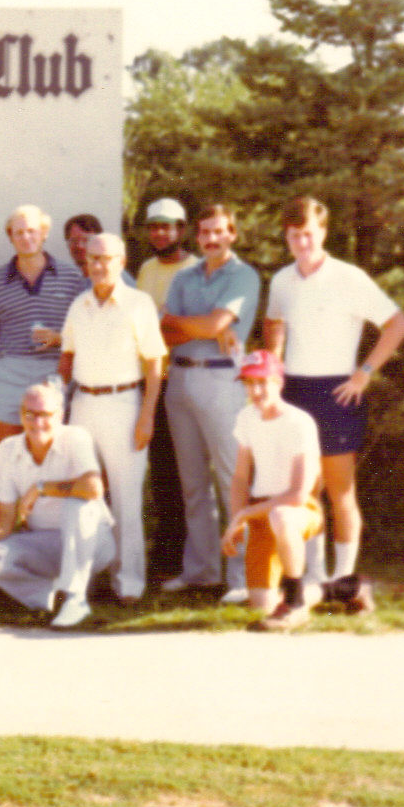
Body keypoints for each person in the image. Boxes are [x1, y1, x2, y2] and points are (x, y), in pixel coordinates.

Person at [262, 196, 404, 607]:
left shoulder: (350, 277)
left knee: (341, 491)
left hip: (337, 392)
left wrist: (365, 372)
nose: (301, 242)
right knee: (307, 489)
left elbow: (397, 324)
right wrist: (274, 367)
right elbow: (274, 323)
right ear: (286, 237)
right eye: (294, 235)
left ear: (323, 233)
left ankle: (347, 582)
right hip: (295, 391)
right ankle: (315, 578)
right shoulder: (281, 281)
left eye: (308, 234)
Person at [159, 203, 261, 599]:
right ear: (197, 236)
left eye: (219, 231)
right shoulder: (184, 277)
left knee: (231, 479)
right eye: (205, 232)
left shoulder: (244, 275)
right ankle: (201, 570)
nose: (211, 239)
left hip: (221, 377)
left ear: (232, 234)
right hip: (180, 377)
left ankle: (241, 576)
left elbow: (218, 324)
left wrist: (193, 324)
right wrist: (198, 326)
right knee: (192, 483)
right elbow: (163, 333)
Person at [58, 232, 165, 603]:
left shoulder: (139, 304)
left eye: (107, 259)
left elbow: (154, 363)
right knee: (79, 493)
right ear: (85, 263)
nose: (100, 266)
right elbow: (67, 358)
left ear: (122, 262)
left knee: (125, 497)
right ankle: (79, 581)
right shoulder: (78, 305)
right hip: (83, 405)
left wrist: (147, 414)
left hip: (125, 404)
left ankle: (129, 583)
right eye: (93, 259)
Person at [0, 383, 116, 629]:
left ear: (59, 416)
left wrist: (41, 487)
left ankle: (75, 598)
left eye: (45, 415)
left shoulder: (76, 437)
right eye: (30, 414)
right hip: (43, 544)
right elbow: (5, 516)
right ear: (21, 415)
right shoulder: (7, 449)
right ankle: (49, 595)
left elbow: (93, 487)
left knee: (76, 504)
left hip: (93, 543)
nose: (37, 422)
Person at [221, 349, 324, 631]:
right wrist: (236, 518)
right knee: (261, 603)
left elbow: (299, 495)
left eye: (262, 382)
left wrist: (246, 513)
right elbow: (241, 476)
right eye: (248, 383)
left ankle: (294, 602)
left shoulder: (298, 421)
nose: (255, 390)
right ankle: (337, 589)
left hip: (298, 510)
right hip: (263, 508)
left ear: (278, 382)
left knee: (282, 515)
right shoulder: (246, 417)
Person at [0, 204, 83, 449]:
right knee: (3, 450)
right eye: (19, 232)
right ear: (11, 237)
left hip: (55, 369)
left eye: (32, 231)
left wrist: (58, 338)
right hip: (8, 371)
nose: (26, 238)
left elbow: (85, 333)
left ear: (44, 233)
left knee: (52, 450)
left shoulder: (72, 277)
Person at [134, 197, 196, 585]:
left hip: (185, 379)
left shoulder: (195, 269)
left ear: (181, 229)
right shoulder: (145, 269)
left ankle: (189, 559)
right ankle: (167, 557)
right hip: (152, 380)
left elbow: (184, 328)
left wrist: (164, 328)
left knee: (186, 475)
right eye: (154, 226)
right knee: (163, 477)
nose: (160, 233)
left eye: (167, 226)